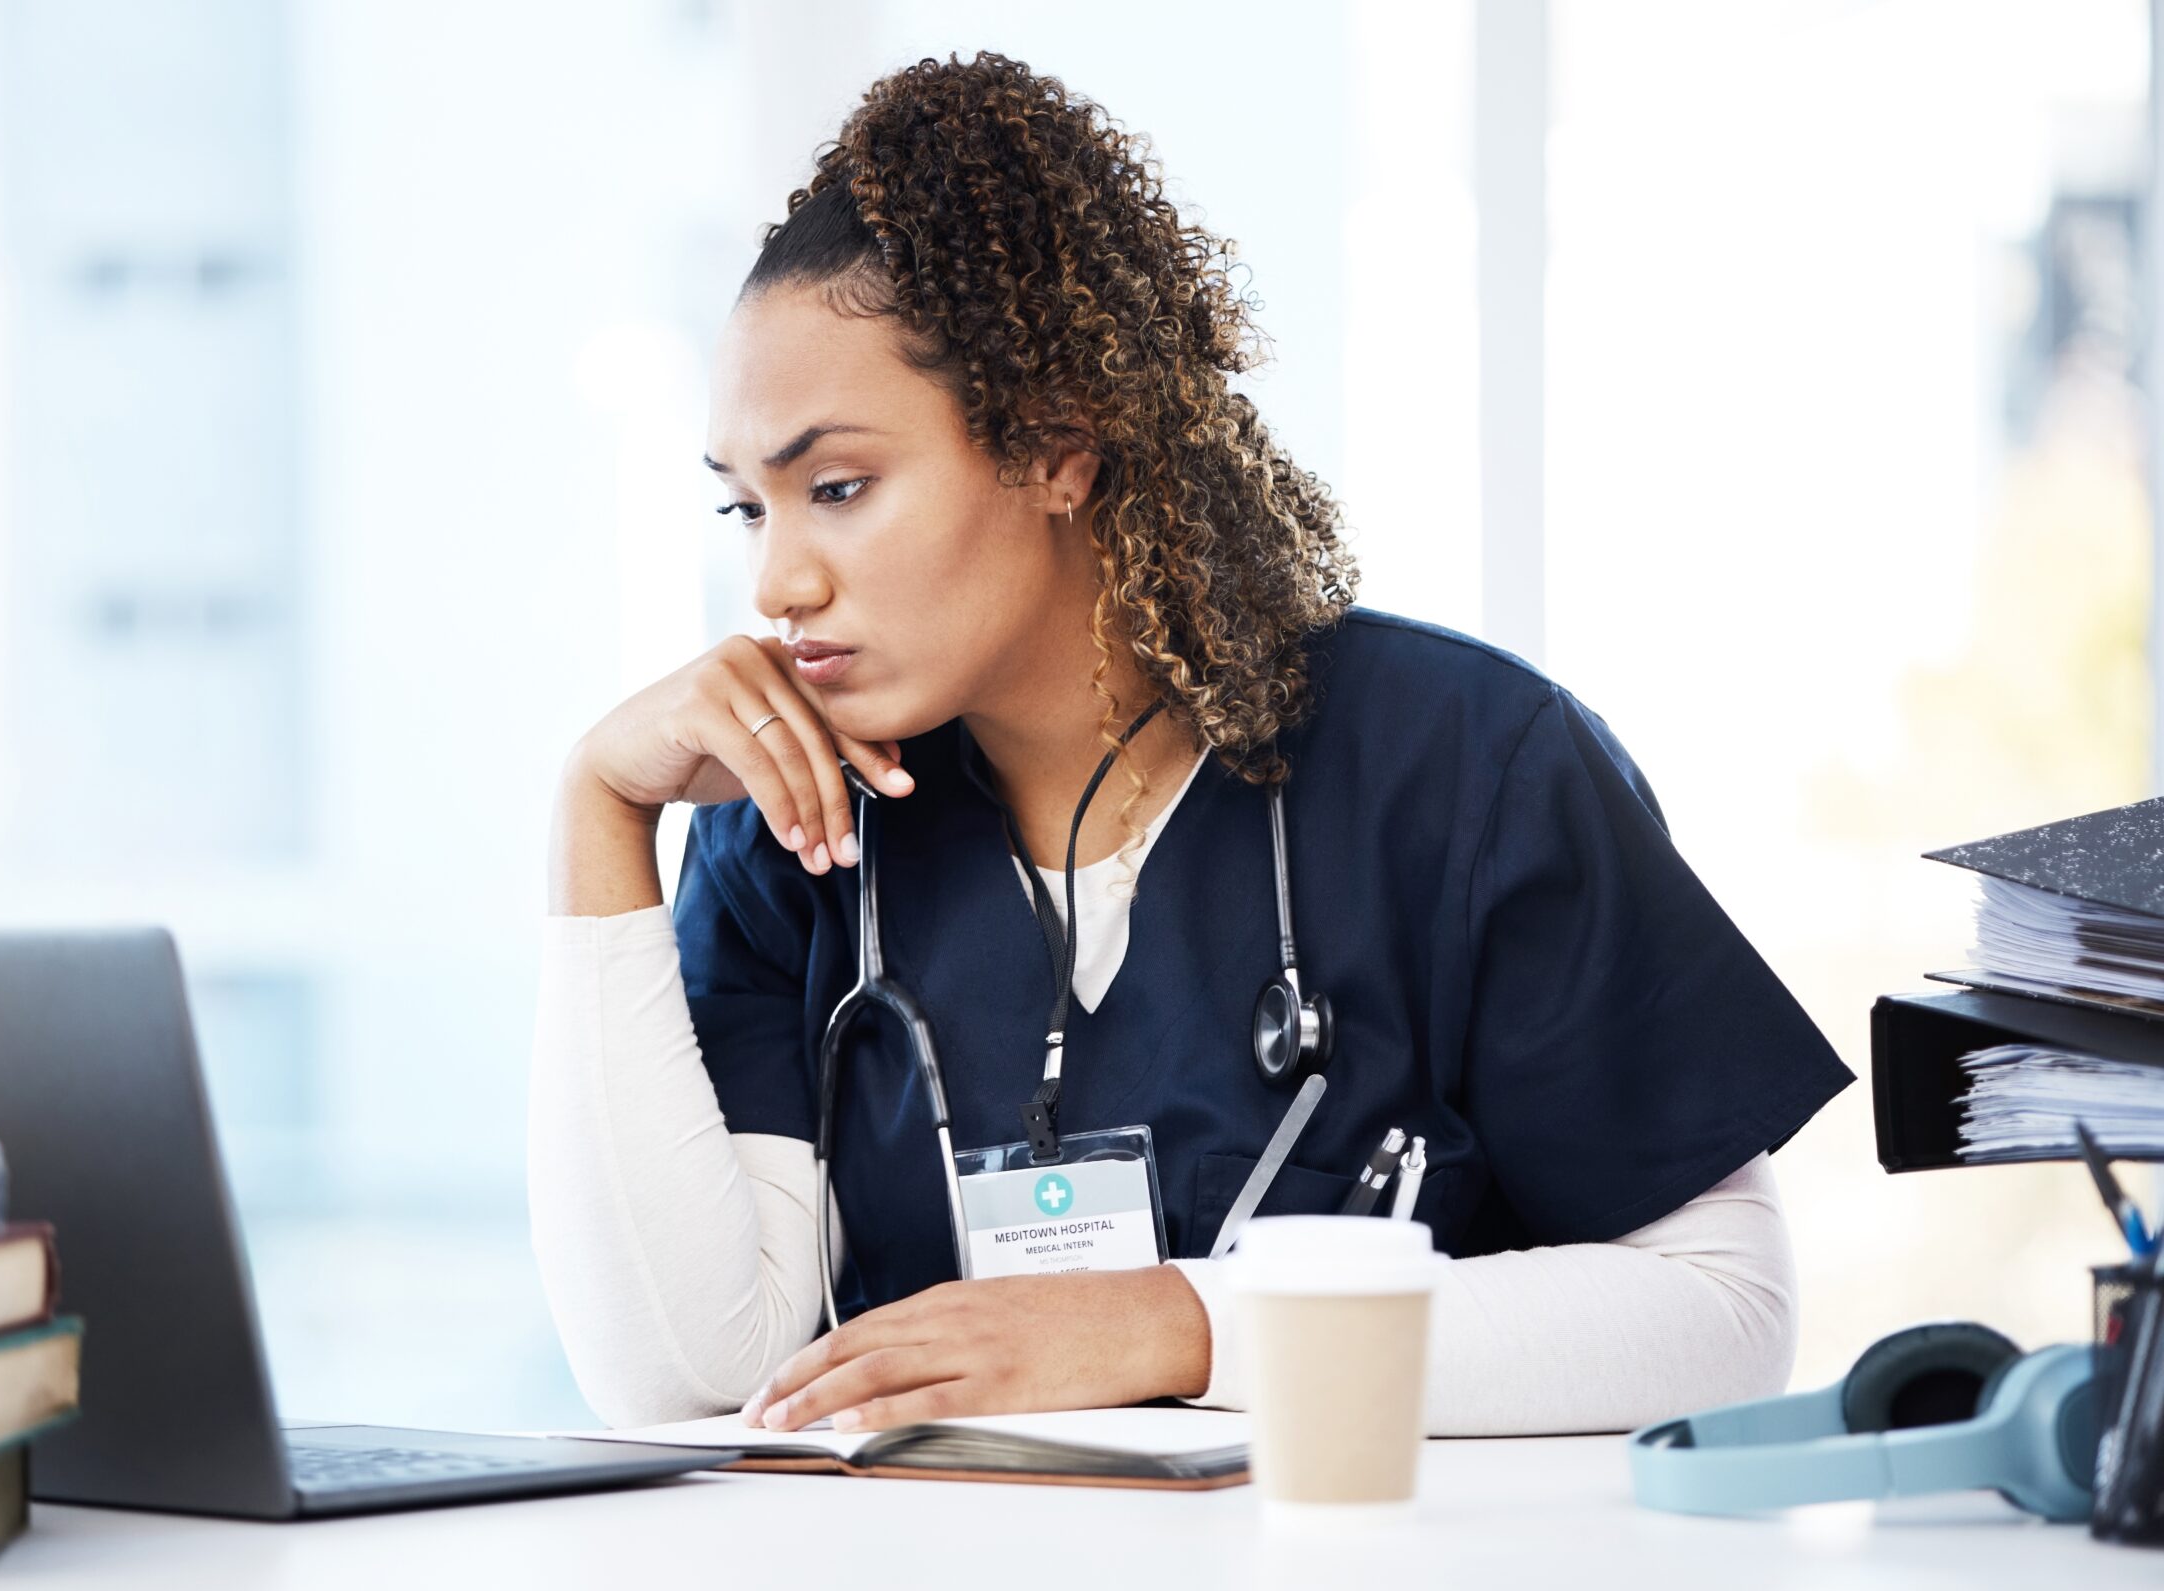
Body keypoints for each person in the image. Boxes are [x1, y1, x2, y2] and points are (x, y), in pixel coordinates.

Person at [529, 51, 1854, 1437]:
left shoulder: (1465, 769)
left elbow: (1722, 1314)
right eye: (748, 510)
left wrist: (1179, 1325)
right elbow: (684, 1380)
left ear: (1057, 445)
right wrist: (598, 814)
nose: (776, 585)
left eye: (840, 488)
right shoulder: (793, 828)